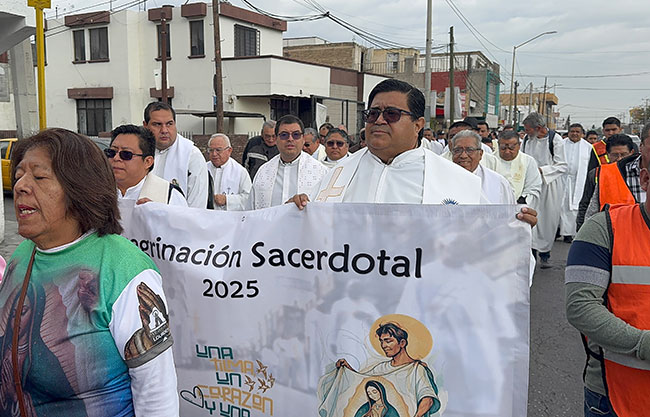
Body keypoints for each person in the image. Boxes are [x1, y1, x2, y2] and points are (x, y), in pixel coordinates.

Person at [1, 128, 178, 416]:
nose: (21, 185)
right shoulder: (22, 256)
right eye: (19, 175)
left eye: (39, 177)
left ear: (79, 189)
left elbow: (156, 397)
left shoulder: (124, 270)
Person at [290, 79, 537, 227]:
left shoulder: (455, 180)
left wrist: (515, 228)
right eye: (373, 114)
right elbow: (309, 238)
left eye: (392, 114)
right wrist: (293, 214)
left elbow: (487, 244)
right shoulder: (338, 174)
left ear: (418, 125)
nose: (379, 121)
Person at [565, 147, 650, 417]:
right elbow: (581, 306)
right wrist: (643, 344)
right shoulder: (604, 228)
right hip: (614, 397)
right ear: (645, 179)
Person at [336, 322, 440, 416]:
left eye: (388, 341)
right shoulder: (381, 368)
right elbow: (361, 379)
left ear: (402, 343)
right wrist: (347, 368)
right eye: (381, 341)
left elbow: (428, 399)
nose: (383, 345)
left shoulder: (416, 369)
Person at [248, 114, 328, 209]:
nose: (290, 139)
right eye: (284, 135)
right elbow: (251, 210)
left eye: (296, 135)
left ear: (303, 139)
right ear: (276, 139)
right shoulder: (264, 172)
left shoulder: (320, 172)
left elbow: (326, 211)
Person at [522, 112, 568, 268]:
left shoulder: (555, 140)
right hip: (530, 184)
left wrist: (541, 171)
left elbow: (562, 165)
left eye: (528, 129)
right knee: (529, 216)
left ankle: (545, 255)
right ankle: (531, 254)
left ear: (538, 128)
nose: (526, 132)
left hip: (549, 185)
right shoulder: (527, 140)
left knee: (547, 220)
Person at [142, 102, 209, 208]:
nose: (164, 130)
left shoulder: (191, 155)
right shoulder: (139, 151)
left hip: (179, 217)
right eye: (157, 124)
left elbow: (197, 206)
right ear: (145, 125)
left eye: (169, 124)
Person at [107, 124, 187, 206]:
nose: (116, 158)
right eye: (112, 152)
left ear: (148, 162)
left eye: (126, 154)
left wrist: (158, 213)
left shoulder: (169, 196)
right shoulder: (100, 190)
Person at [577, 134, 639, 229]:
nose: (619, 158)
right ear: (607, 154)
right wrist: (581, 230)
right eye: (615, 155)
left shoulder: (641, 174)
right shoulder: (597, 174)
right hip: (608, 229)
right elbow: (586, 203)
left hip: (636, 227)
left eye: (623, 154)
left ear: (632, 152)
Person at [451, 130, 515, 204]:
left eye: (469, 150)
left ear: (480, 154)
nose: (463, 155)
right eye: (458, 150)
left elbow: (509, 209)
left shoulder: (499, 183)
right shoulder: (442, 180)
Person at [493, 130, 542, 208]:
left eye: (511, 148)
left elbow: (533, 187)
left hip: (519, 207)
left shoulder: (528, 161)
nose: (507, 151)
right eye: (503, 147)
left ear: (519, 145)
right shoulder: (491, 160)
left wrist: (521, 202)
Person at [560, 123, 592, 241]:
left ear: (582, 134)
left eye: (577, 132)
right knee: (559, 205)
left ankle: (569, 233)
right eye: (572, 131)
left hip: (578, 181)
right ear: (568, 133)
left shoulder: (588, 147)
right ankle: (557, 231)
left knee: (573, 207)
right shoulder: (561, 144)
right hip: (561, 179)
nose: (574, 134)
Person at [206, 133, 252, 211]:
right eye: (211, 150)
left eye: (218, 150)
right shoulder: (203, 168)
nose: (214, 154)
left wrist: (227, 200)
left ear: (229, 151)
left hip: (231, 217)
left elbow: (249, 199)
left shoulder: (240, 172)